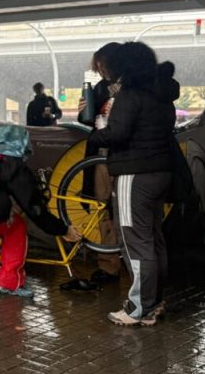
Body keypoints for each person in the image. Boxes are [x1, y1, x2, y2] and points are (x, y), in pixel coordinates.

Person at [89, 42, 180, 326]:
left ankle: (138, 307)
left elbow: (118, 134)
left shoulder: (130, 95)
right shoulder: (162, 93)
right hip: (160, 171)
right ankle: (154, 303)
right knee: (154, 239)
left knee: (134, 242)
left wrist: (97, 131)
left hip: (133, 173)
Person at [0, 125, 81, 299]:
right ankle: (9, 283)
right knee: (16, 226)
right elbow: (34, 209)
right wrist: (62, 229)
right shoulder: (12, 165)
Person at [79, 42, 123, 284]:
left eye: (103, 65)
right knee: (102, 208)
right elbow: (89, 120)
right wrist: (84, 111)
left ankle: (132, 263)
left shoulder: (134, 87)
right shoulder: (99, 88)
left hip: (125, 157)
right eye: (98, 67)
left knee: (127, 212)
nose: (101, 71)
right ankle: (109, 265)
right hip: (101, 156)